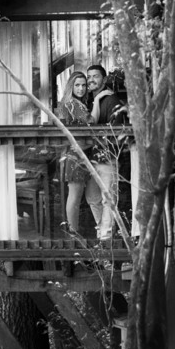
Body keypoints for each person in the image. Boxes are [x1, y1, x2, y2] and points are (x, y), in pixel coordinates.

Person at [87, 64, 128, 242]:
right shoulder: (92, 99)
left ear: (104, 79)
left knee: (107, 199)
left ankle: (106, 239)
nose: (91, 80)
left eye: (95, 76)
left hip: (107, 158)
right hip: (92, 157)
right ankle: (103, 231)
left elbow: (116, 131)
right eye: (89, 77)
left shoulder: (111, 100)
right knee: (92, 197)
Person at [57, 71, 102, 234]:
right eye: (77, 85)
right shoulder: (72, 104)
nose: (81, 89)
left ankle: (100, 230)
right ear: (71, 86)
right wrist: (97, 100)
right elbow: (91, 122)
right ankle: (73, 234)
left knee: (90, 196)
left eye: (84, 85)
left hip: (81, 153)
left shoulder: (71, 103)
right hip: (77, 155)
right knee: (75, 196)